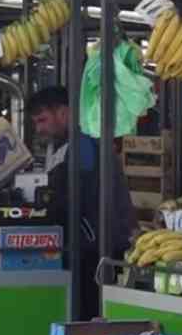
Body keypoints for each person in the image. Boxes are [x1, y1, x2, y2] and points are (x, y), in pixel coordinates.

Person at [27, 86, 134, 320]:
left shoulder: (85, 142)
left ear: (64, 113)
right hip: (91, 243)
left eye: (43, 120)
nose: (39, 129)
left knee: (89, 313)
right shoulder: (68, 144)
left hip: (97, 247)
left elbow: (74, 189)